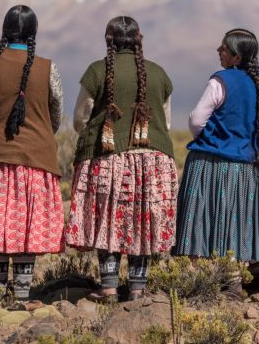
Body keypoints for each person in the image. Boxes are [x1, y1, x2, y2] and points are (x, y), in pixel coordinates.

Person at [65, 16, 177, 302]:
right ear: (139, 38)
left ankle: (109, 287)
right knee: (142, 220)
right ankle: (138, 289)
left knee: (108, 220)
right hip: (152, 161)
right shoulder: (159, 73)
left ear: (108, 39)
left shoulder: (96, 71)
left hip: (107, 158)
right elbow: (166, 121)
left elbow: (80, 118)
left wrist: (96, 136)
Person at [0, 5, 65, 305]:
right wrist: (39, 134)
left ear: (4, 30)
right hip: (35, 160)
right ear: (34, 33)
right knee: (26, 226)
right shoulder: (48, 68)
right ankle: (21, 294)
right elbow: (54, 114)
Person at [173, 28, 259, 280]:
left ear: (236, 57)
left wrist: (210, 139)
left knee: (207, 216)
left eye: (223, 48)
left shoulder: (220, 81)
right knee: (243, 220)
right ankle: (246, 268)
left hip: (219, 162)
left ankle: (210, 275)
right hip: (256, 164)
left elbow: (196, 121)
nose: (218, 51)